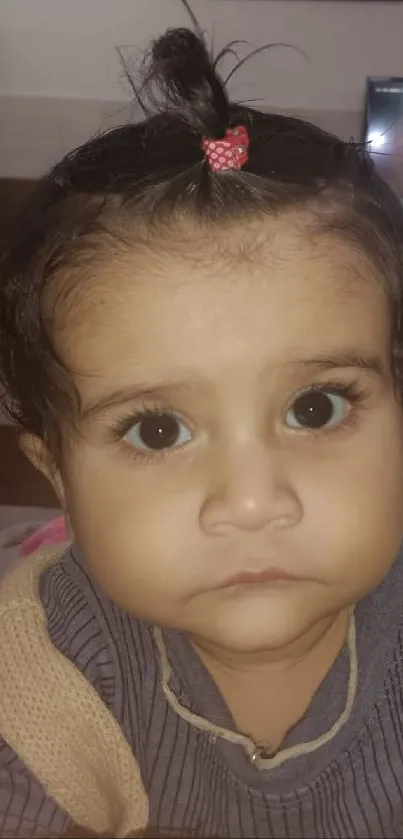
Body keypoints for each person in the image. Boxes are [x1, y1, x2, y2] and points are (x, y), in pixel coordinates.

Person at [0, 23, 403, 839]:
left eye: (315, 408)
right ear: (58, 472)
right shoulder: (37, 664)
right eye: (156, 429)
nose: (251, 503)